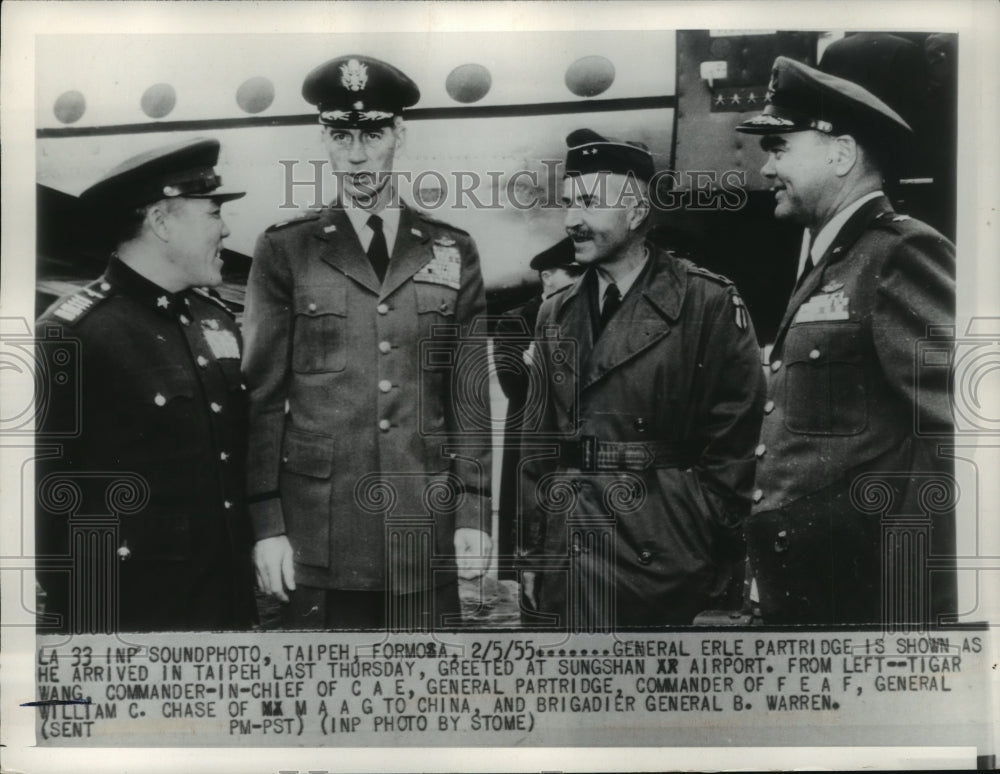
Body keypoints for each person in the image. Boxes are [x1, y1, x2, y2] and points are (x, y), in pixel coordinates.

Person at [243, 55, 492, 630]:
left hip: (422, 529)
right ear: (324, 139)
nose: (356, 154)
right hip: (319, 534)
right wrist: (267, 525)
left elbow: (469, 394)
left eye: (372, 134)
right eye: (341, 135)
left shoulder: (451, 248)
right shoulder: (287, 248)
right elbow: (261, 397)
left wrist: (474, 513)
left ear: (399, 136)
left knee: (428, 699)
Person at [736, 56, 956, 625]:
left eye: (780, 147)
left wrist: (916, 599)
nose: (765, 169)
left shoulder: (896, 254)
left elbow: (956, 435)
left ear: (841, 154)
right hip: (807, 581)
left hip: (864, 592)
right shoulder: (830, 260)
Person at [520, 129, 765, 629]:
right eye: (568, 203)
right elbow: (536, 447)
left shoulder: (706, 303)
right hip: (570, 551)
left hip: (663, 551)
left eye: (588, 203)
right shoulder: (553, 312)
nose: (571, 220)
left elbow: (736, 444)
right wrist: (532, 553)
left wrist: (703, 542)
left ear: (636, 212)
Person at [35, 138, 256, 632]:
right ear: (160, 221)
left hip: (224, 601)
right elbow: (38, 495)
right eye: (213, 213)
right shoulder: (71, 334)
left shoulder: (214, 319)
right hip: (130, 611)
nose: (226, 229)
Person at [493, 238, 582, 580]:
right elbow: (514, 386)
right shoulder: (515, 322)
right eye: (571, 272)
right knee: (529, 544)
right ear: (547, 277)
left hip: (572, 444)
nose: (578, 280)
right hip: (530, 442)